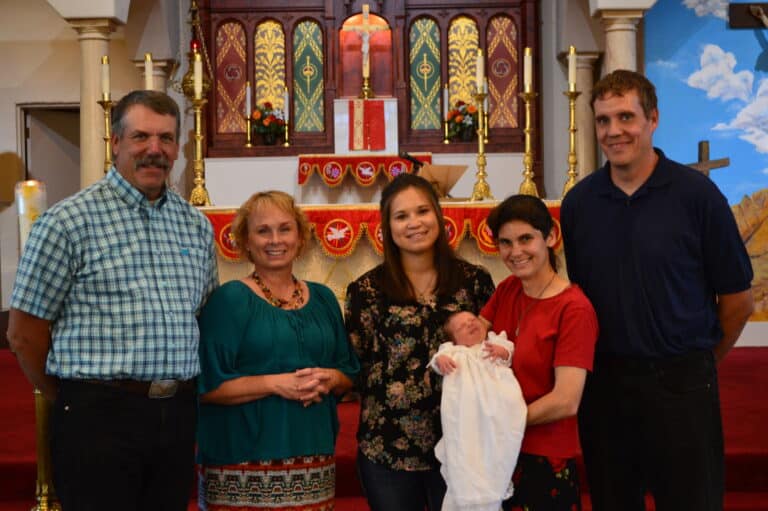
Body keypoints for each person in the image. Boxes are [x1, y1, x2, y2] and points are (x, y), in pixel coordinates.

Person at [6, 90, 219, 511]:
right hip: (97, 418)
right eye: (141, 136)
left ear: (178, 146)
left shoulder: (195, 226)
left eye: (166, 138)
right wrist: (71, 396)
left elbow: (201, 314)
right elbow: (23, 333)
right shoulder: (68, 222)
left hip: (175, 415)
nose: (154, 150)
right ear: (116, 142)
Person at [560, 69, 755, 511]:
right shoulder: (579, 204)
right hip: (606, 389)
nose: (614, 131)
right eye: (604, 120)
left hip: (681, 386)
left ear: (653, 119)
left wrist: (700, 361)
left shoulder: (698, 196)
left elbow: (739, 301)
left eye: (626, 117)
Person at [196, 190, 360, 511]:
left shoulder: (324, 299)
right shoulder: (229, 300)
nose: (275, 239)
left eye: (285, 228)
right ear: (245, 241)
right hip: (242, 462)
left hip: (313, 453)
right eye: (263, 230)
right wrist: (277, 383)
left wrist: (329, 379)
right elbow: (206, 386)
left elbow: (349, 373)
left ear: (300, 238)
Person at [345, 173, 495, 511]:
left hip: (462, 443)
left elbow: (493, 353)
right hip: (387, 447)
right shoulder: (367, 291)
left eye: (423, 211)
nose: (414, 223)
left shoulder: (473, 282)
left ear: (438, 217)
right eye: (401, 216)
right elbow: (356, 365)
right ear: (387, 226)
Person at [479, 194, 598, 511]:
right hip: (497, 452)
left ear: (551, 236)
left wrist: (502, 422)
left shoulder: (574, 308)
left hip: (544, 457)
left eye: (525, 239)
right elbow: (474, 342)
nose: (515, 252)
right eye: (505, 242)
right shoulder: (507, 289)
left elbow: (567, 399)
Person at [429, 311, 527, 511]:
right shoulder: (453, 351)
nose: (471, 325)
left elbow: (509, 352)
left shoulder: (493, 342)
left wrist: (503, 352)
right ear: (454, 339)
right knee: (467, 449)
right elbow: (437, 361)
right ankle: (470, 495)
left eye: (473, 320)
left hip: (498, 409)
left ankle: (493, 487)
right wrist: (440, 362)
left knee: (496, 446)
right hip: (467, 413)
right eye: (462, 326)